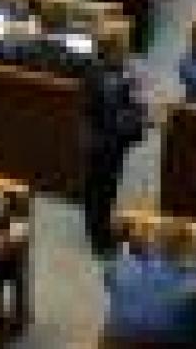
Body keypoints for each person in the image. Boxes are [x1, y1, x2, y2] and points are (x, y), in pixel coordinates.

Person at [82, 67, 146, 254]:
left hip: (100, 142)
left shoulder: (101, 74)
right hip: (107, 145)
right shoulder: (109, 82)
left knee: (98, 189)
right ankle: (100, 240)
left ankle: (97, 231)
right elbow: (117, 117)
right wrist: (137, 106)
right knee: (103, 191)